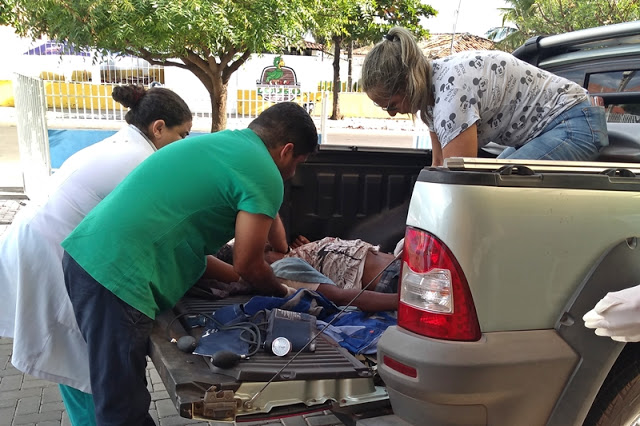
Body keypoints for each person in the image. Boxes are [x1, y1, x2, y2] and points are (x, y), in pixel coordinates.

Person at [60, 101, 318, 425]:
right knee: (121, 409)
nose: (293, 173)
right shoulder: (264, 171)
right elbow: (249, 264)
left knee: (119, 396)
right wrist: (284, 293)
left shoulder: (219, 145)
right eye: (298, 163)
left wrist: (236, 278)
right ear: (287, 150)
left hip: (91, 259)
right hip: (116, 276)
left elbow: (185, 242)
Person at [0, 84, 192, 426]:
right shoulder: (139, 161)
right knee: (87, 369)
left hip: (33, 245)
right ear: (159, 127)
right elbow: (163, 238)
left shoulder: (120, 146)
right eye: (183, 135)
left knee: (74, 362)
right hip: (50, 254)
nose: (184, 145)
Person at [361, 27, 609, 166]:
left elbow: (459, 180)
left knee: (495, 189)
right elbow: (438, 165)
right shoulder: (431, 97)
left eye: (391, 105)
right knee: (491, 180)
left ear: (408, 83)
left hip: (574, 123)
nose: (392, 114)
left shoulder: (451, 98)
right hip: (545, 131)